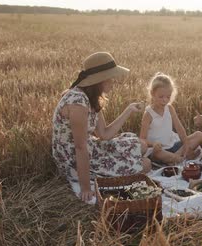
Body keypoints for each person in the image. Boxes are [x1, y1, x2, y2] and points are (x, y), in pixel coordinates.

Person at [52, 52, 151, 203]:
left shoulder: (90, 98)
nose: (114, 81)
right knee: (146, 164)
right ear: (100, 80)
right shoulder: (77, 103)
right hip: (73, 159)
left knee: (142, 145)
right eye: (111, 77)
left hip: (91, 148)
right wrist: (85, 187)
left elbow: (104, 134)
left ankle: (127, 161)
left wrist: (129, 110)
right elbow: (79, 147)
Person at [139, 73, 202, 164]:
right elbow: (142, 139)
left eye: (168, 97)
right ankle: (182, 159)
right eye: (161, 96)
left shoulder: (169, 108)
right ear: (152, 94)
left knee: (199, 135)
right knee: (158, 153)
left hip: (173, 146)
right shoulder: (148, 114)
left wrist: (186, 145)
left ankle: (175, 158)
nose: (165, 100)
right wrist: (153, 144)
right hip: (158, 150)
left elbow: (179, 128)